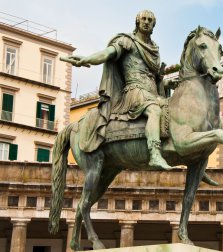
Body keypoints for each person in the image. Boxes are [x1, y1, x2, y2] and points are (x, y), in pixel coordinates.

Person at [66, 10, 172, 170]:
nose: (146, 22)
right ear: (137, 22)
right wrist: (87, 59)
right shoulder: (127, 41)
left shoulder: (154, 50)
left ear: (153, 25)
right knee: (154, 111)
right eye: (143, 19)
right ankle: (155, 153)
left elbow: (156, 78)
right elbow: (107, 53)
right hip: (134, 91)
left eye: (150, 20)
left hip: (152, 93)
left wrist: (168, 84)